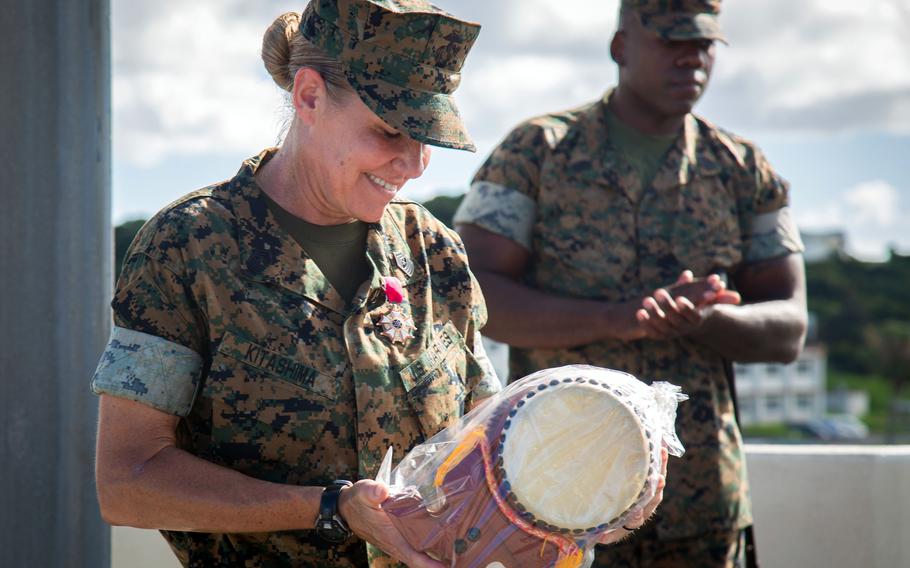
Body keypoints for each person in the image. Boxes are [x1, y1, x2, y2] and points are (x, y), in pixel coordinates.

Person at [91, 1, 662, 566]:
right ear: (309, 95)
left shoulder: (432, 251)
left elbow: (485, 454)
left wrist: (586, 496)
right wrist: (329, 507)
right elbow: (128, 480)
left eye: (426, 139)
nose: (413, 164)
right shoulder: (188, 246)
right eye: (390, 132)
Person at [454, 0, 808, 566]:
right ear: (621, 48)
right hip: (559, 496)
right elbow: (467, 294)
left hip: (697, 504)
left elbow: (789, 327)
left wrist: (707, 320)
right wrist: (618, 318)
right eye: (671, 42)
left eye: (703, 46)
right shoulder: (537, 152)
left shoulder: (744, 171)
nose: (690, 60)